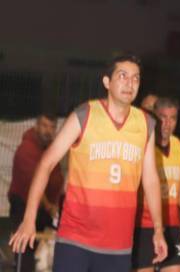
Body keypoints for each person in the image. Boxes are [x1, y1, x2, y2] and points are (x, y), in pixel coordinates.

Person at [9, 54, 168, 271]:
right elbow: (46, 163)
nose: (130, 83)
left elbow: (150, 179)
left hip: (118, 245)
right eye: (122, 76)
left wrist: (159, 229)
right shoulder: (85, 115)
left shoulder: (146, 124)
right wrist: (29, 219)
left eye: (135, 78)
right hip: (75, 238)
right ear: (107, 82)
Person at [132, 97, 180, 271]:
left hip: (173, 223)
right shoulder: (143, 146)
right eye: (162, 117)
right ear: (154, 117)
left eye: (172, 118)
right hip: (144, 224)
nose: (167, 123)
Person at [7, 113, 65, 272]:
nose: (48, 130)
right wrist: (50, 208)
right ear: (36, 127)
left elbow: (58, 180)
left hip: (46, 209)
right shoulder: (25, 150)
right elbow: (33, 184)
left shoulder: (53, 150)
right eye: (45, 126)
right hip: (23, 205)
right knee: (25, 247)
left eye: (52, 127)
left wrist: (56, 207)